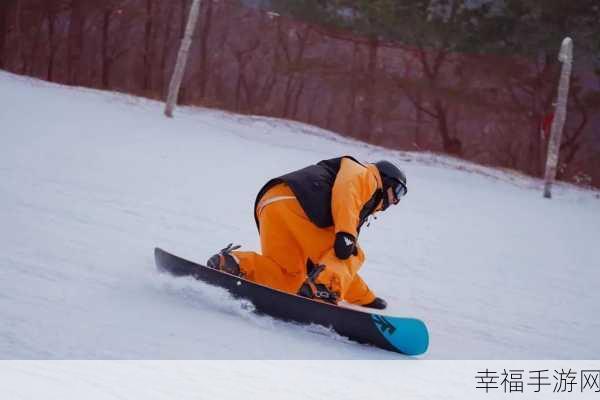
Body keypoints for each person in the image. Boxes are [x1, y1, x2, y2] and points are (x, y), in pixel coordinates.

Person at [206, 156, 407, 309]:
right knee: (353, 253)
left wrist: (366, 298)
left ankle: (234, 263)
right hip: (301, 202)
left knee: (291, 276)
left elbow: (338, 268)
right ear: (386, 179)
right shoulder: (366, 175)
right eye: (398, 192)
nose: (396, 201)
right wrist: (346, 234)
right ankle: (323, 290)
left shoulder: (355, 207)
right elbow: (347, 189)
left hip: (272, 203)